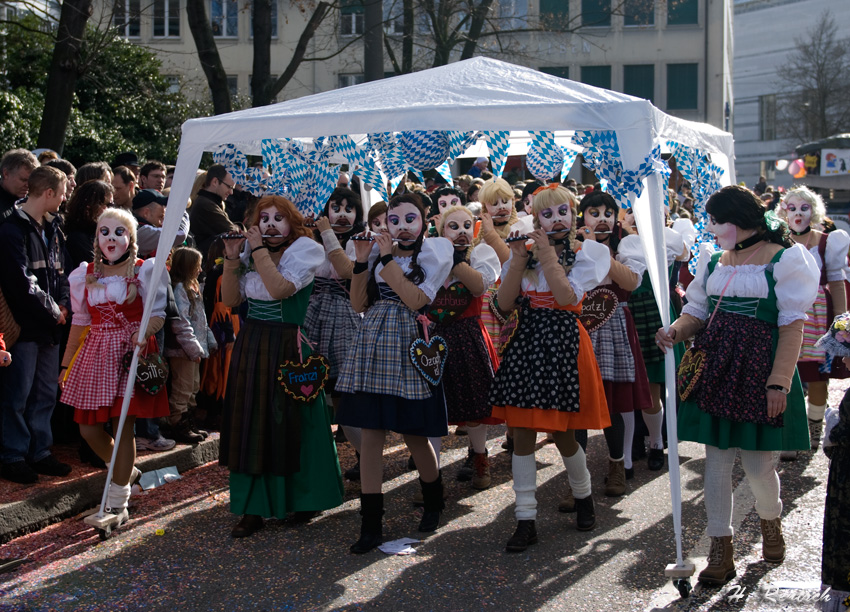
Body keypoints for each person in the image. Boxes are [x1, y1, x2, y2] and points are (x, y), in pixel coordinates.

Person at [656, 185, 818, 586]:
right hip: (719, 370)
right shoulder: (714, 260)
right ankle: (720, 548)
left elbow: (792, 325)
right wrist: (675, 331)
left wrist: (779, 383)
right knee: (717, 464)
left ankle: (770, 521)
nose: (709, 228)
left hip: (760, 371)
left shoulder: (784, 259)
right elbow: (698, 311)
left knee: (760, 466)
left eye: (715, 220)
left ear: (739, 221)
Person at [489, 183, 611, 552]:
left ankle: (584, 497)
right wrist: (515, 258)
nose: (556, 219)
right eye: (547, 213)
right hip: (527, 343)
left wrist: (545, 255)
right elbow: (505, 302)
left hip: (564, 344)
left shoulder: (588, 253)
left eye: (562, 212)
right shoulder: (526, 252)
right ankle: (525, 519)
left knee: (563, 434)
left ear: (573, 215)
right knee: (522, 432)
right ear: (535, 217)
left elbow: (566, 298)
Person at [336, 194, 454, 554]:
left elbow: (416, 300)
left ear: (424, 221)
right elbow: (358, 304)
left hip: (408, 343)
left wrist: (387, 258)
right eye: (394, 219)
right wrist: (361, 261)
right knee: (371, 434)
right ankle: (370, 523)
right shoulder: (374, 253)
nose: (401, 225)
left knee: (414, 433)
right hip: (372, 341)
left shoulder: (434, 252)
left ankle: (433, 499)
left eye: (410, 218)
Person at [219, 195, 343, 538]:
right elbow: (231, 301)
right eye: (263, 218)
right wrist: (232, 259)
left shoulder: (304, 249)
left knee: (295, 421)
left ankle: (305, 497)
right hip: (253, 343)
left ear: (292, 222)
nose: (270, 224)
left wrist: (257, 251)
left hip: (289, 345)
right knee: (252, 424)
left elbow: (279, 289)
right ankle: (252, 508)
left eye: (278, 218)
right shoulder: (251, 251)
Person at [60, 207, 169, 525]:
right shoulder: (85, 274)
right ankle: (128, 471)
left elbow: (159, 314)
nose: (110, 238)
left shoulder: (144, 270)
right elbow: (79, 323)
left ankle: (116, 505)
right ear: (96, 237)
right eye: (104, 231)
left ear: (131, 238)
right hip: (95, 354)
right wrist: (66, 365)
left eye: (119, 232)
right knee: (89, 428)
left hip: (129, 353)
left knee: (124, 429)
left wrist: (143, 331)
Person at [573, 191, 651, 500]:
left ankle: (618, 465)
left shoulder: (626, 246)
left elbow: (632, 282)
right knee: (575, 405)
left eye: (608, 212)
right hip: (578, 325)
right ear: (583, 217)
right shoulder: (572, 245)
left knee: (613, 401)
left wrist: (598, 250)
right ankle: (577, 479)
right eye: (594, 212)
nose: (602, 218)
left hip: (614, 324)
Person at [0, 166, 71, 484]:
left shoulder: (56, 227)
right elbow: (20, 281)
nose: (67, 197)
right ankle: (13, 454)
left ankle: (39, 451)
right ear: (49, 193)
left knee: (44, 392)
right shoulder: (11, 229)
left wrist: (65, 303)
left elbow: (63, 268)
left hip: (50, 325)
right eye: (63, 191)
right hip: (26, 326)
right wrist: (54, 308)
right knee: (18, 393)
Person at [433, 205, 501, 489]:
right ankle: (431, 473)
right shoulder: (429, 257)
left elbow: (478, 287)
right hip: (435, 336)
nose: (461, 231)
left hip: (468, 334)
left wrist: (454, 257)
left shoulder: (479, 255)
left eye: (465, 226)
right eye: (453, 226)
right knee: (434, 407)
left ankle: (480, 460)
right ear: (441, 231)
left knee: (475, 405)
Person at [779, 186, 849, 453]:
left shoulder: (827, 241)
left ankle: (813, 428)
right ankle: (791, 435)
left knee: (818, 374)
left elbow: (836, 280)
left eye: (804, 208)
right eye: (792, 207)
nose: (798, 213)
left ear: (814, 211)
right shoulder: (777, 240)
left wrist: (841, 320)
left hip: (818, 313)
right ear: (784, 211)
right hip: (785, 311)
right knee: (786, 372)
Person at [302, 188, 365, 477]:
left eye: (348, 208)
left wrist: (326, 234)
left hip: (344, 315)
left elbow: (346, 271)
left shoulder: (360, 241)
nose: (341, 213)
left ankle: (365, 455)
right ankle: (316, 460)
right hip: (311, 314)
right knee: (309, 386)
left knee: (344, 389)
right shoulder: (309, 238)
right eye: (335, 207)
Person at [164, 247, 217, 443]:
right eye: (197, 265)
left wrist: (209, 341)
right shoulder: (180, 289)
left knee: (193, 387)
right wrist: (194, 348)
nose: (201, 269)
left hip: (193, 348)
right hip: (183, 349)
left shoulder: (192, 287)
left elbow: (201, 320)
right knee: (183, 388)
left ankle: (188, 421)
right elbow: (181, 322)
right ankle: (177, 423)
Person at [189, 164, 238, 262]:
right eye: (229, 187)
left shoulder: (209, 202)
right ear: (215, 182)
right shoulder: (205, 204)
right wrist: (239, 227)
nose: (231, 192)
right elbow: (233, 232)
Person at [63, 180, 115, 270]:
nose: (111, 210)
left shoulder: (100, 233)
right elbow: (98, 270)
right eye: (108, 205)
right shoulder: (77, 238)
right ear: (91, 206)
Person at [0, 149, 39, 222]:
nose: (28, 185)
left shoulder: (29, 206)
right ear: (6, 174)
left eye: (30, 181)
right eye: (23, 180)